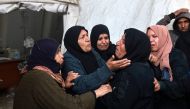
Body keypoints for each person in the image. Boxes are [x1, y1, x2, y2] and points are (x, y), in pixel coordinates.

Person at [13, 38, 112, 109]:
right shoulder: (39, 77)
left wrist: (65, 85)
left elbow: (51, 97)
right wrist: (96, 93)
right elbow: (68, 106)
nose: (62, 56)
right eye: (57, 53)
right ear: (46, 56)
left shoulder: (43, 73)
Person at [61, 25, 130, 94]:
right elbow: (79, 85)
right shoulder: (69, 59)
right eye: (82, 37)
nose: (88, 39)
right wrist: (108, 69)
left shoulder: (92, 52)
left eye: (87, 35)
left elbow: (104, 67)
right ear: (73, 42)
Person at [101, 28, 154, 109]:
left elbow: (117, 105)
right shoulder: (144, 66)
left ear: (134, 47)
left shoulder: (131, 73)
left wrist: (103, 90)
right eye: (120, 39)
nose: (118, 43)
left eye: (124, 42)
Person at [147, 25, 190, 109]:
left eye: (155, 36)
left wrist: (161, 85)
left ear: (163, 37)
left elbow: (183, 87)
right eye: (148, 37)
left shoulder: (176, 56)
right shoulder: (147, 56)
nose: (150, 40)